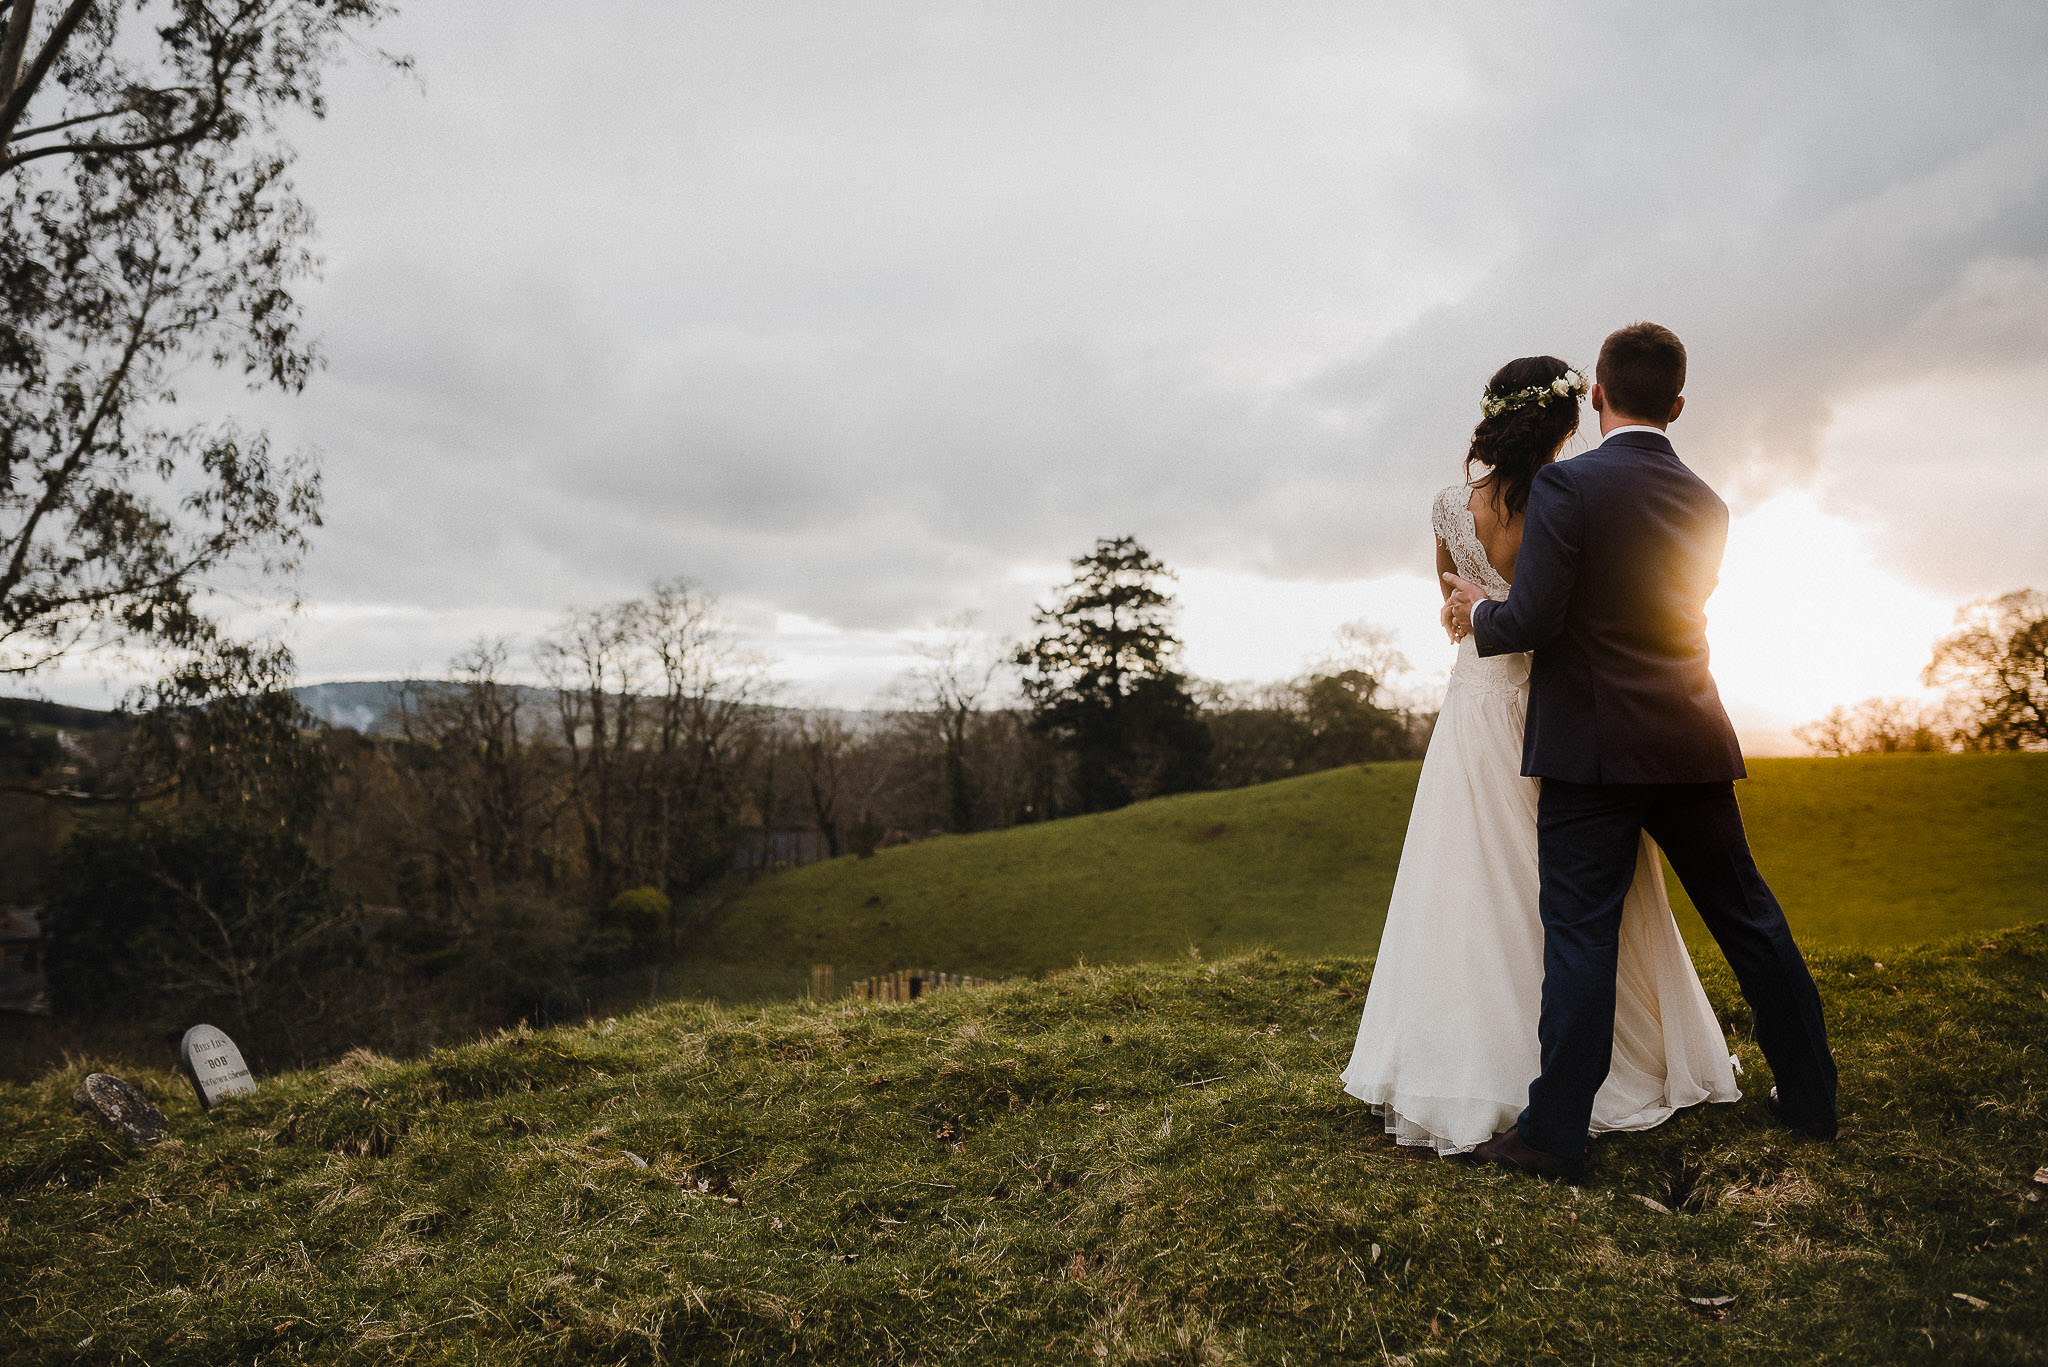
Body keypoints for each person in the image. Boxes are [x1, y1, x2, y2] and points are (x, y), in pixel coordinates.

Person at [1441, 322, 1839, 1181]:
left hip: (1592, 752)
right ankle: (1812, 1097)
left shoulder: (1568, 489)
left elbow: (1536, 619)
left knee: (1580, 937)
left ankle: (1554, 1134)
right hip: (1690, 738)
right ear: (1679, 405)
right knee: (1750, 919)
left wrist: (1477, 609)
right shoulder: (1709, 503)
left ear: (1598, 397)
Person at [1339, 348, 1740, 1160]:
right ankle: (1606, 1065)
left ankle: (1472, 1065)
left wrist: (1482, 604)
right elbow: (1568, 609)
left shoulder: (1452, 508)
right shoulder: (1573, 497)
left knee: (1473, 886)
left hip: (1479, 709)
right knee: (1588, 899)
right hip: (1561, 711)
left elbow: (1456, 618)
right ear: (1568, 416)